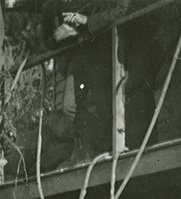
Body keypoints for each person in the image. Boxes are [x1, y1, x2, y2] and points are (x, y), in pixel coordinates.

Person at [42, 1, 130, 165]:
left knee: (102, 102)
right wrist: (57, 37)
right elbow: (46, 39)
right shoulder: (48, 6)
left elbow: (102, 13)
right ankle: (86, 149)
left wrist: (79, 27)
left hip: (98, 54)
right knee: (73, 107)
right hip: (73, 62)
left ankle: (107, 148)